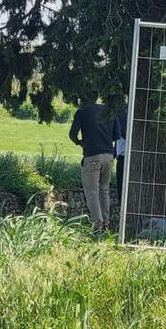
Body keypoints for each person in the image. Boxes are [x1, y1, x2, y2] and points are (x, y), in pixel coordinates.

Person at [70, 95, 118, 232]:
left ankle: (98, 224)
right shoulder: (109, 111)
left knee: (92, 191)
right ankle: (107, 223)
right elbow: (117, 135)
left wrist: (79, 142)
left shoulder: (82, 112)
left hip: (92, 156)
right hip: (109, 156)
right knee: (104, 190)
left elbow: (72, 134)